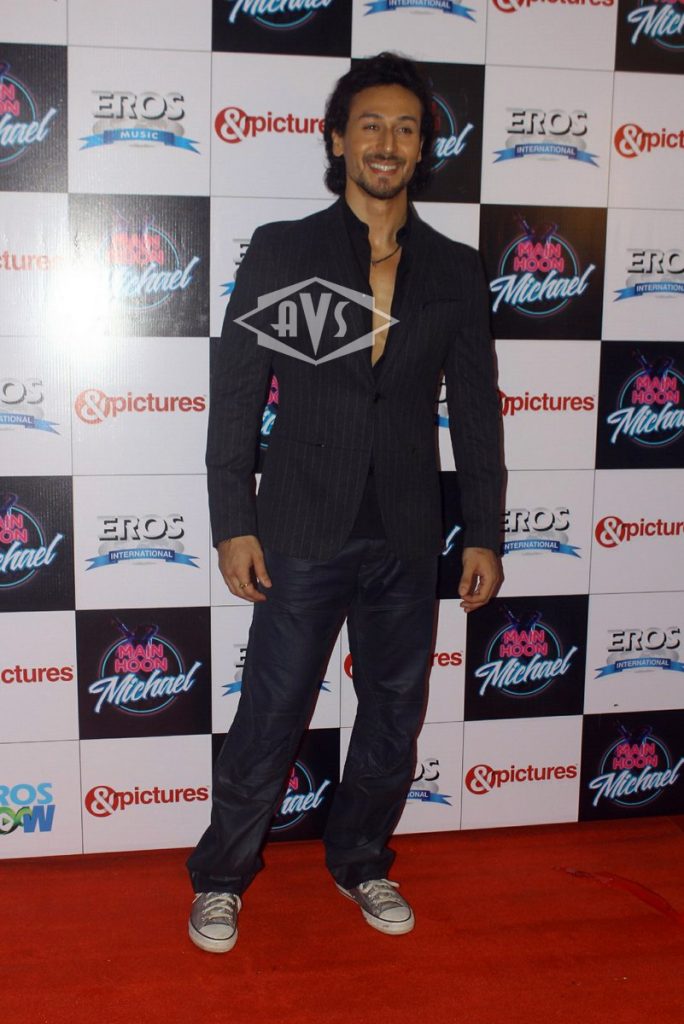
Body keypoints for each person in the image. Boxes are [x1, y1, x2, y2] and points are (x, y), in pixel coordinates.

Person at [187, 52, 503, 953]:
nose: (388, 142)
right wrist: (233, 522)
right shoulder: (285, 250)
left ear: (423, 147)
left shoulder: (455, 266)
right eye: (370, 125)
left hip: (406, 531)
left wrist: (483, 532)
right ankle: (221, 877)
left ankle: (361, 858)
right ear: (337, 140)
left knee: (395, 713)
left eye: (406, 127)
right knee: (273, 711)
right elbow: (237, 395)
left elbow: (475, 412)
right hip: (300, 527)